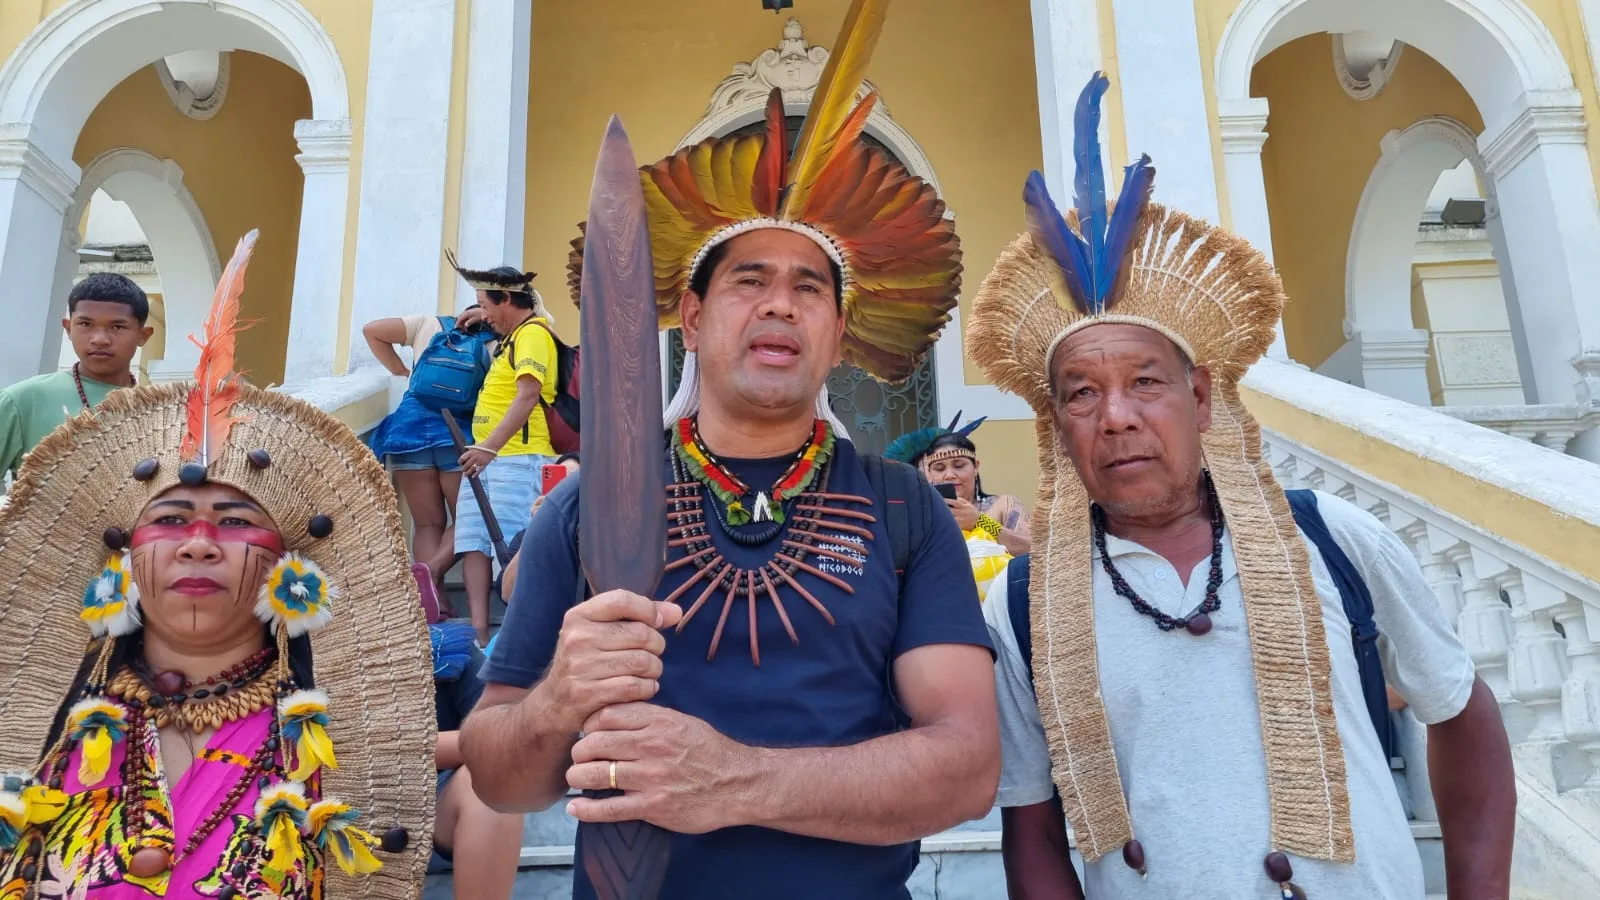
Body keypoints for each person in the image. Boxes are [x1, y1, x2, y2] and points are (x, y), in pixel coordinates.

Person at [460, 4, 998, 897]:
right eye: (750, 281)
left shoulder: (904, 510)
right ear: (694, 318)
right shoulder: (586, 509)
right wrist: (558, 699)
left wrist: (737, 781)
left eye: (808, 289)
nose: (780, 305)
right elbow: (500, 774)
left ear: (837, 332)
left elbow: (967, 766)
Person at [966, 73, 1515, 900]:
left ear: (1200, 398)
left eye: (1146, 382)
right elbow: (1034, 829)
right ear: (1058, 426)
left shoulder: (1331, 538)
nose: (1114, 417)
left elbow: (1459, 712)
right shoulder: (1023, 604)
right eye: (1081, 392)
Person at [0, 232, 437, 898]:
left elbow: (491, 770)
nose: (199, 543)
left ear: (287, 570)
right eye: (170, 520)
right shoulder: (52, 739)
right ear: (123, 556)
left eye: (234, 523)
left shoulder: (327, 745)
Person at [445, 259, 560, 647]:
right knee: (473, 541)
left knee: (513, 547)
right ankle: (479, 635)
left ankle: (519, 635)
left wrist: (489, 450)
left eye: (487, 305)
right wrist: (481, 314)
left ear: (508, 299)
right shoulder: (510, 336)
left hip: (517, 458)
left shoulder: (533, 335)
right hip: (486, 457)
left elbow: (528, 395)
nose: (484, 314)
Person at [363, 306, 491, 621]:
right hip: (455, 434)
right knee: (469, 520)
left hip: (407, 431)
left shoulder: (427, 324)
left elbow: (372, 329)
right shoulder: (495, 340)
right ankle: (429, 574)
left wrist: (402, 372)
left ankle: (434, 602)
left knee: (427, 524)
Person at [0, 273, 154, 481]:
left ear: (143, 336)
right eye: (85, 324)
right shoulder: (22, 400)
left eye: (117, 327)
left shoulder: (161, 411)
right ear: (68, 328)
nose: (100, 339)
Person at [885, 413, 1031, 599]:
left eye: (959, 465)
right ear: (928, 473)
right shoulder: (919, 519)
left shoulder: (1003, 505)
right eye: (939, 468)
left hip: (1000, 613)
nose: (949, 475)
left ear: (976, 467)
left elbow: (1034, 550)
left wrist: (980, 522)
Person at [428, 623, 523, 899]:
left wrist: (409, 748)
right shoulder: (300, 653)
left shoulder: (443, 648)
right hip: (320, 800)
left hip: (429, 803)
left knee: (490, 782)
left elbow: (505, 735)